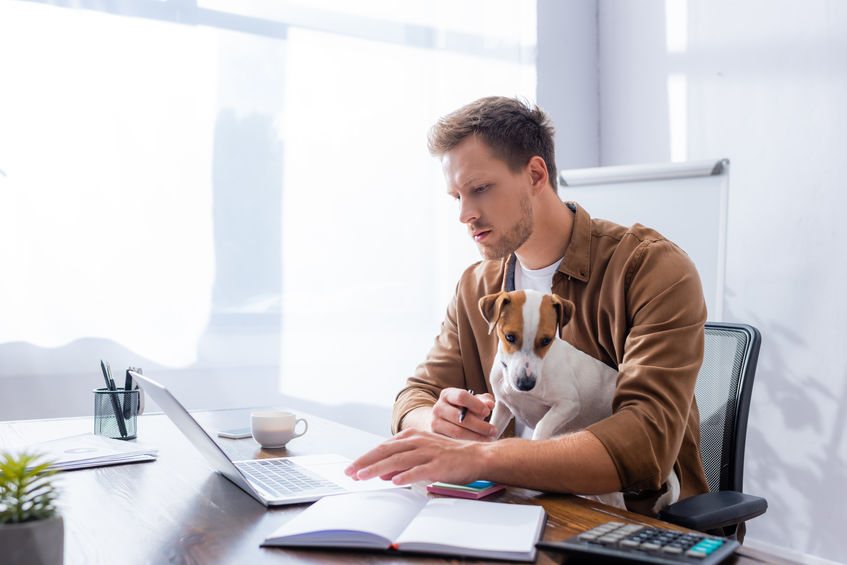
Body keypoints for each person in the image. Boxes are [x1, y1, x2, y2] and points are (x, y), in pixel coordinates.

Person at [344, 96, 709, 515]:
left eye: (479, 189)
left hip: (630, 522)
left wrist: (478, 460)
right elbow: (415, 396)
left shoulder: (650, 268)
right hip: (510, 509)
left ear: (535, 174)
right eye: (456, 197)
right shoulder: (476, 286)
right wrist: (436, 425)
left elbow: (646, 441)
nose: (465, 214)